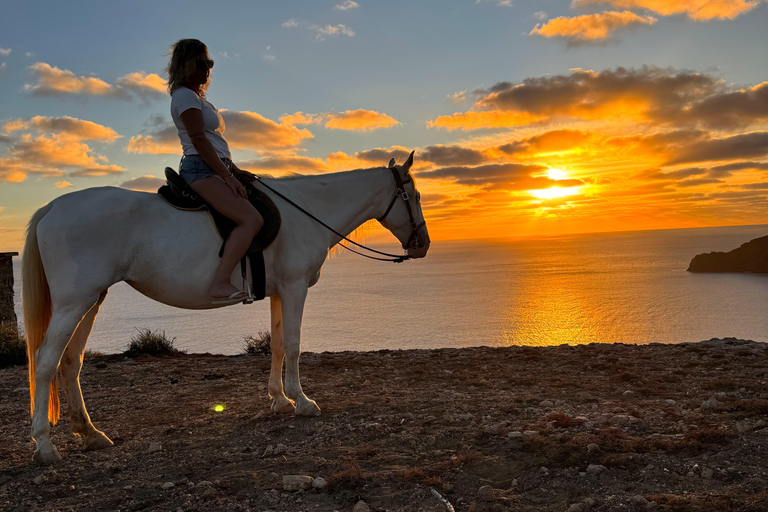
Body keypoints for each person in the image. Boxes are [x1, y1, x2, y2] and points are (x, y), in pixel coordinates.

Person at [166, 39, 263, 301]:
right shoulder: (185, 96)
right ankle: (219, 283)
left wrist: (234, 169)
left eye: (209, 63)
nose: (207, 69)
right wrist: (227, 176)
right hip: (201, 169)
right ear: (185, 65)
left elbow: (215, 144)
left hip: (215, 165)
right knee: (251, 219)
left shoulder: (199, 99)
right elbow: (198, 139)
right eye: (201, 63)